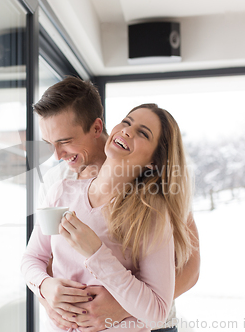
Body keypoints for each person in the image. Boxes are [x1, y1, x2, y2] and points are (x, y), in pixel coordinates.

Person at [30, 77, 200, 331]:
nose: (57, 155)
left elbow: (190, 267)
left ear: (97, 128)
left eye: (65, 140)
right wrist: (48, 299)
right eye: (49, 144)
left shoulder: (155, 191)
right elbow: (41, 257)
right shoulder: (59, 181)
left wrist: (119, 306)